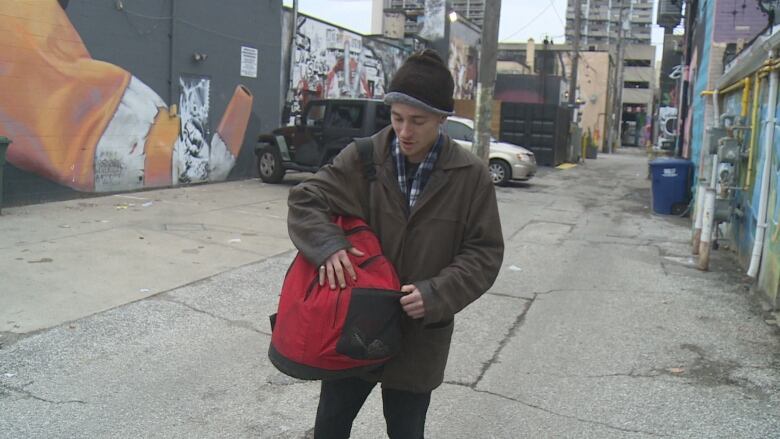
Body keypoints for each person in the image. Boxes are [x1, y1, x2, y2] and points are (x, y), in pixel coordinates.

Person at [287, 49, 504, 439]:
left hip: (419, 336)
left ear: (442, 118)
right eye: (397, 117)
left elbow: (484, 253)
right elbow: (306, 199)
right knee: (330, 426)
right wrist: (328, 245)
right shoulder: (364, 156)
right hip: (356, 325)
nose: (405, 131)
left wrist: (436, 293)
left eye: (418, 121)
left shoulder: (471, 176)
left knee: (406, 432)